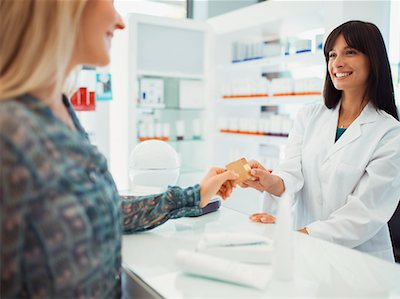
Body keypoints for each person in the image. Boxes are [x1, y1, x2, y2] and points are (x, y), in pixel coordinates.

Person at [0, 1, 238, 297]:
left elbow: (104, 209)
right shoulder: (10, 131)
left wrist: (195, 195)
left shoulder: (61, 109)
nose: (120, 21)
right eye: (108, 2)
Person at [241, 20, 400, 261]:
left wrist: (295, 235)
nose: (337, 63)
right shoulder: (309, 115)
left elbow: (364, 213)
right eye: (332, 55)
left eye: (350, 52)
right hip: (305, 250)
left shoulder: (390, 133)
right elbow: (292, 172)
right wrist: (269, 181)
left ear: (373, 59)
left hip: (358, 261)